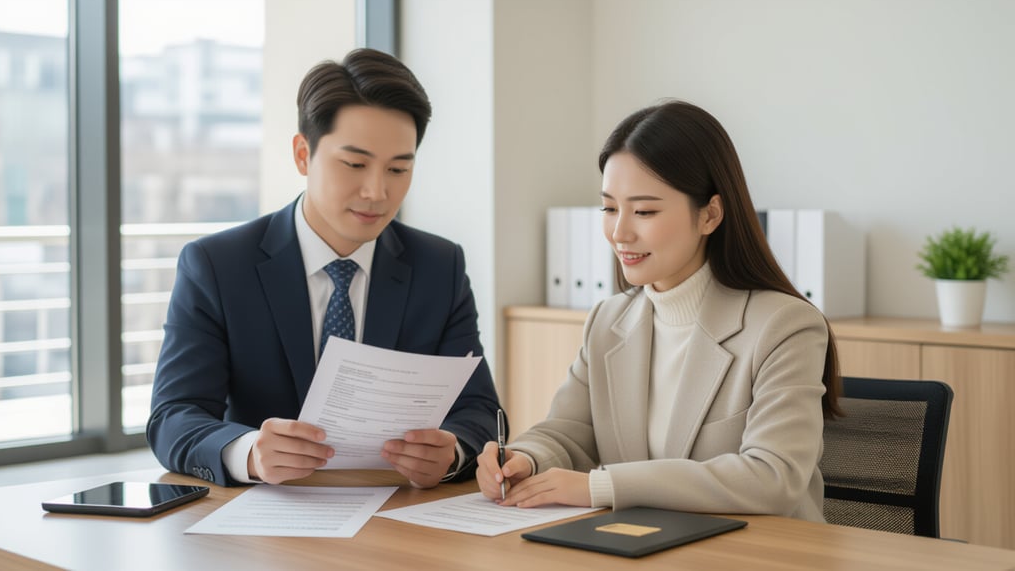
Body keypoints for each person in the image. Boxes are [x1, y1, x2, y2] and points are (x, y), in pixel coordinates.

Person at [147, 48, 502, 488]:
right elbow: (173, 416)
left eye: (398, 168)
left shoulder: (439, 267)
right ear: (302, 154)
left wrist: (453, 452)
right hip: (263, 529)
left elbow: (481, 411)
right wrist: (250, 452)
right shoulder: (218, 267)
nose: (377, 191)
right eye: (354, 164)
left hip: (397, 517)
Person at [476, 101, 841, 522]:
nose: (619, 232)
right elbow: (570, 433)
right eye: (610, 208)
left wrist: (602, 486)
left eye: (644, 211)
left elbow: (773, 477)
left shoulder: (784, 326)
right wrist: (525, 458)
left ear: (710, 214)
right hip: (647, 545)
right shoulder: (608, 322)